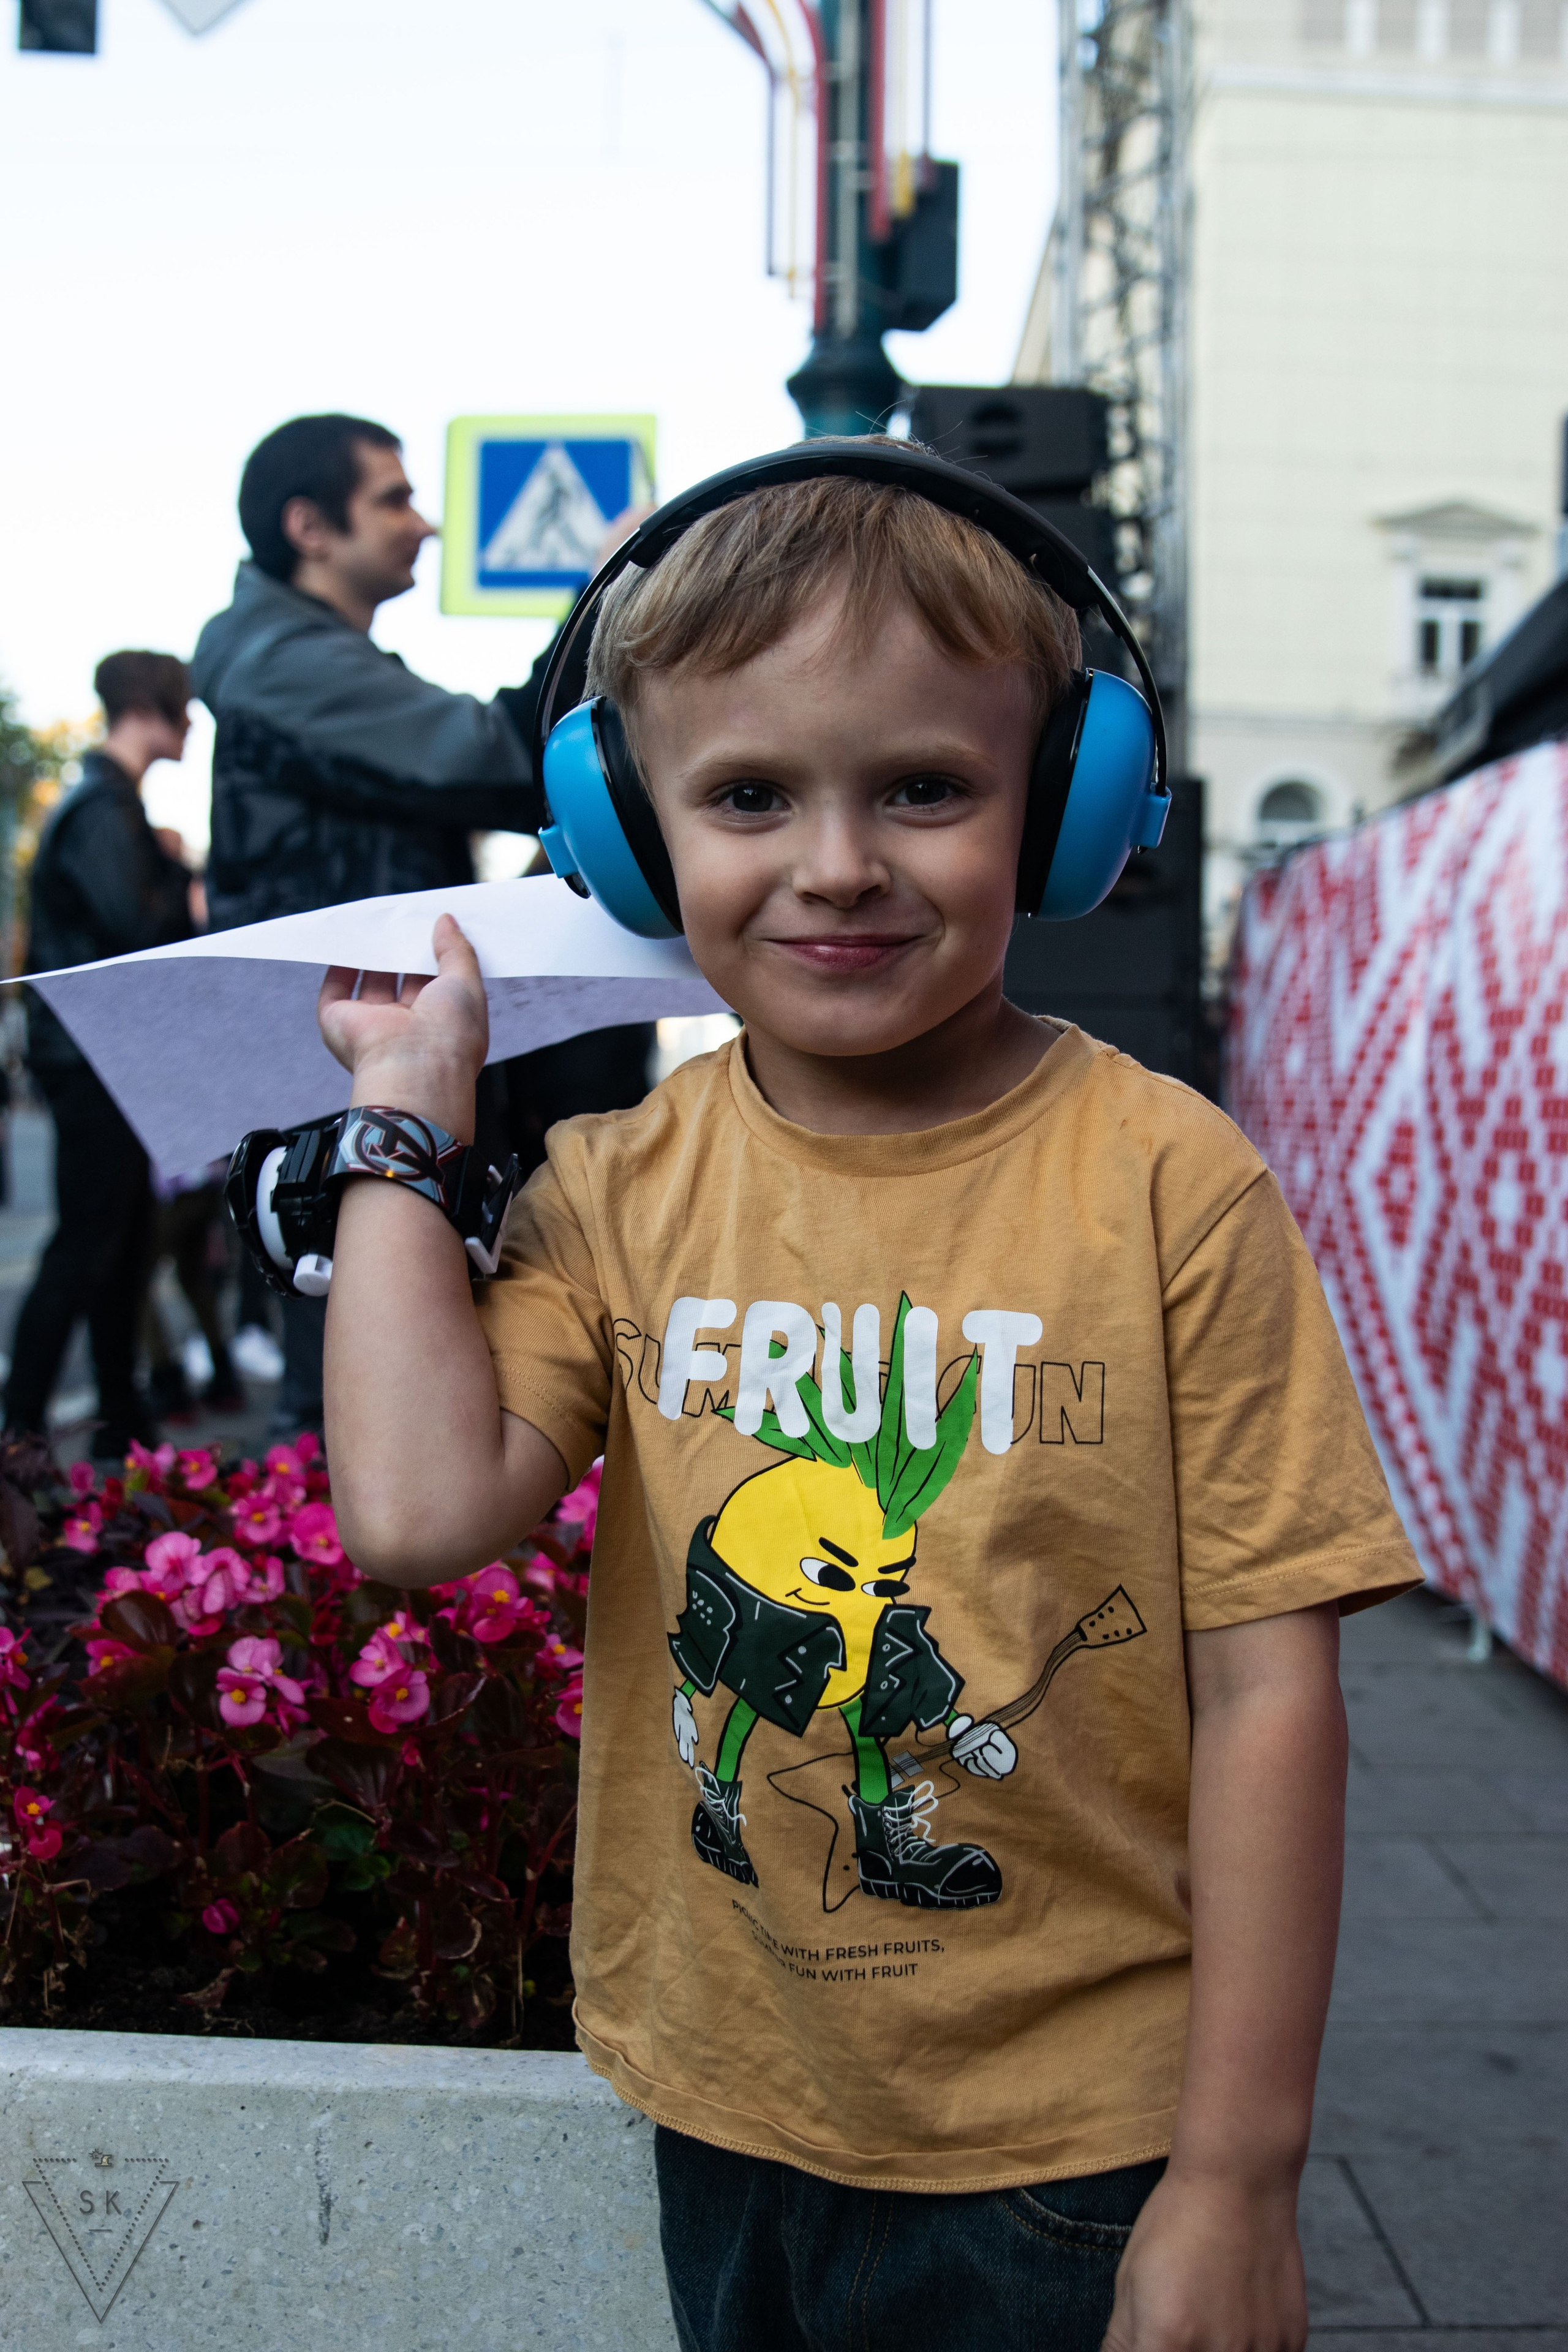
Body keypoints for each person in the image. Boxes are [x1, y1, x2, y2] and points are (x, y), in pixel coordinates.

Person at [312, 453, 1421, 2352]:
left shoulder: (1174, 1189)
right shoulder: (616, 1187)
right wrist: (405, 1130)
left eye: (926, 785)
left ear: (1069, 813)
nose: (837, 862)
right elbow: (416, 1509)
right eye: (747, 796)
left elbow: (1267, 1697)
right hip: (725, 2104)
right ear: (630, 833)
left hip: (1070, 2150)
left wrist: (1238, 2175)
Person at [191, 412, 571, 1434]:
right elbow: (499, 758)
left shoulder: (311, 656)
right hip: (344, 1092)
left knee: (388, 1380)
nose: (425, 525)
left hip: (370, 1083)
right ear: (310, 526)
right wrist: (609, 587)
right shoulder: (279, 661)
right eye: (393, 499)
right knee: (354, 1407)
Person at [6, 652, 196, 1456]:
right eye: (184, 711)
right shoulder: (100, 812)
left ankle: (121, 1430)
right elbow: (137, 931)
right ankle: (22, 1434)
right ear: (152, 709)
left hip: (105, 1056)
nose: (191, 727)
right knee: (90, 1243)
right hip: (94, 1058)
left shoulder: (103, 808)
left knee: (118, 1247)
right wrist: (180, 874)